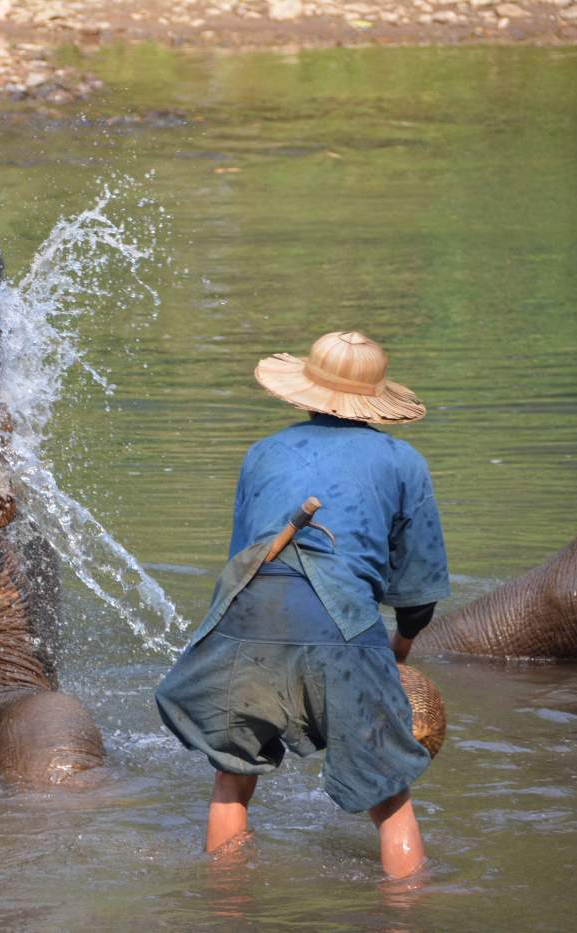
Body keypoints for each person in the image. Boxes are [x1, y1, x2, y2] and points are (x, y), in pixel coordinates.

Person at [155, 331, 449, 879]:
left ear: (308, 391)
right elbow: (417, 592)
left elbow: (244, 557)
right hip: (338, 624)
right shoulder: (402, 461)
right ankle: (408, 914)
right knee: (388, 793)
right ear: (374, 401)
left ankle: (226, 909)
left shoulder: (262, 452)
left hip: (245, 613)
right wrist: (397, 652)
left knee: (232, 779)